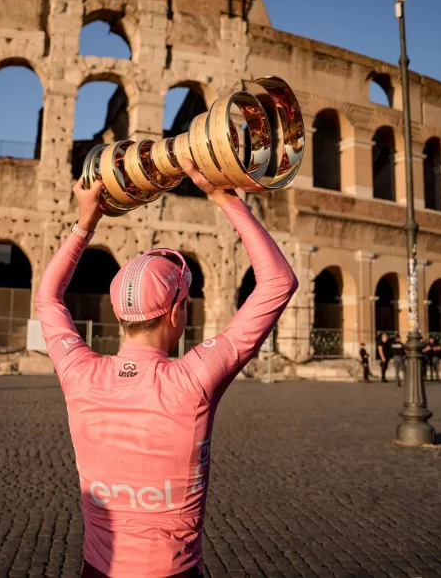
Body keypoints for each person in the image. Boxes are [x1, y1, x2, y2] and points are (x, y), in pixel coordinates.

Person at [36, 161, 298, 577]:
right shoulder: (193, 378)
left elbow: (48, 299)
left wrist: (86, 220)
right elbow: (278, 281)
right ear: (178, 313)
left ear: (119, 316)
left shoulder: (79, 372)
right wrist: (224, 197)